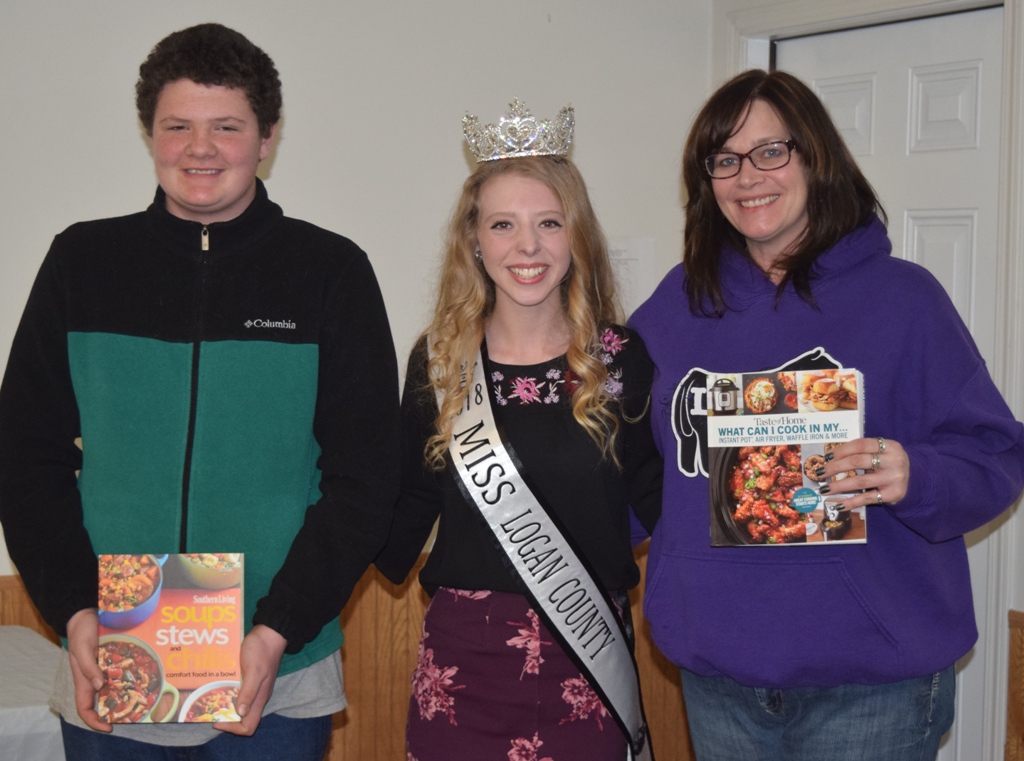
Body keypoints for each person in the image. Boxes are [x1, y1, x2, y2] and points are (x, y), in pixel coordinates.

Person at [0, 23, 399, 760]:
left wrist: (280, 626)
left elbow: (366, 477)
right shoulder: (82, 263)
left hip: (277, 668)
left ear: (268, 136)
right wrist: (75, 610)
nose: (199, 148)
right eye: (177, 126)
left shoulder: (330, 271)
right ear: (150, 134)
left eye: (227, 127)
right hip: (109, 661)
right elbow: (24, 458)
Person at [629, 68, 1024, 760]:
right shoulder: (675, 305)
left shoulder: (905, 300)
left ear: (815, 157)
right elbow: (633, 465)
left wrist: (915, 473)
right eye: (725, 159)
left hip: (871, 681)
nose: (748, 176)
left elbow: (996, 456)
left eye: (770, 151)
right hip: (718, 670)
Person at [374, 99, 662, 761]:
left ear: (576, 236)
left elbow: (659, 496)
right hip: (463, 667)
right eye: (503, 224)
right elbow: (403, 503)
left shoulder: (618, 358)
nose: (527, 246)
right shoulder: (439, 361)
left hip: (587, 664)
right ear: (474, 240)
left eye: (548, 223)